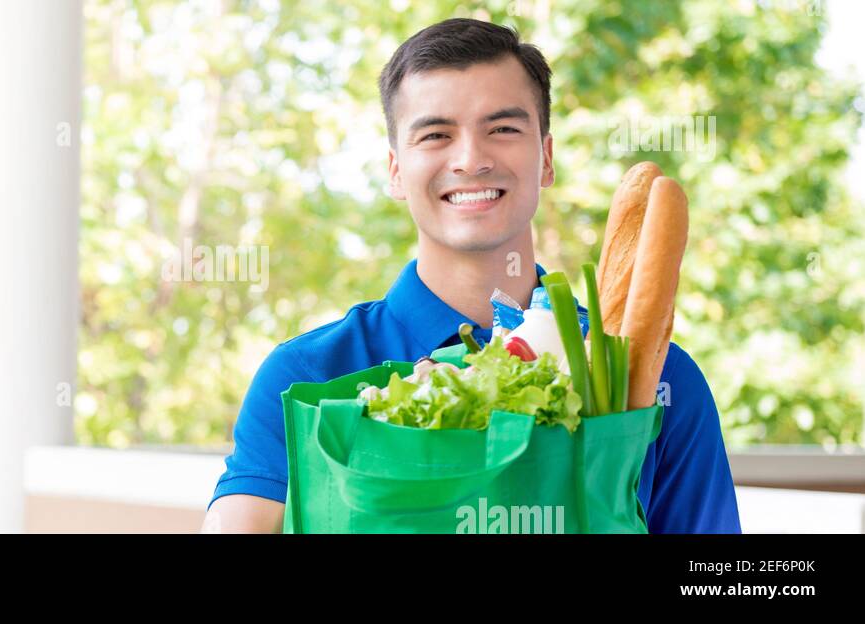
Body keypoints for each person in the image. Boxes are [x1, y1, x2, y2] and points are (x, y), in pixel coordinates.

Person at [202, 18, 741, 534]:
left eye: (502, 128)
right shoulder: (306, 377)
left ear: (546, 159)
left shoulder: (656, 378)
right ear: (396, 170)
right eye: (435, 135)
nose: (471, 159)